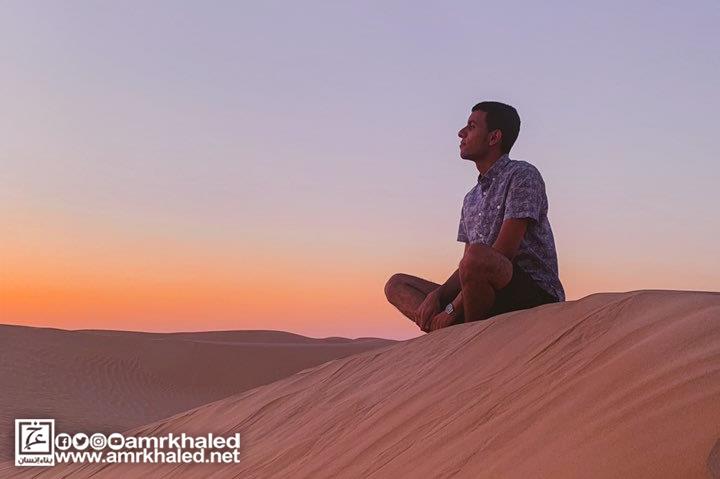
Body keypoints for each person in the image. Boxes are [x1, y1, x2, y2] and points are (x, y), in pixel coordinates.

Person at [384, 101, 564, 333]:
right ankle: (451, 332)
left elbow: (501, 253)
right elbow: (467, 268)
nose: (461, 133)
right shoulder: (471, 198)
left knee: (477, 256)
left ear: (493, 137)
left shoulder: (522, 175)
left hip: (533, 296)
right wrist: (437, 296)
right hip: (483, 294)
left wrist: (451, 309)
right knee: (397, 285)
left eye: (471, 127)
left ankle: (467, 336)